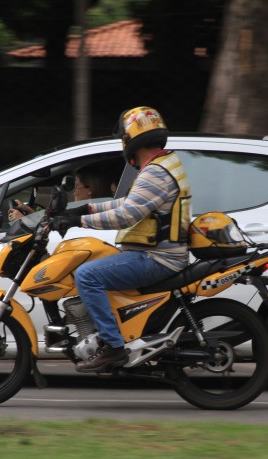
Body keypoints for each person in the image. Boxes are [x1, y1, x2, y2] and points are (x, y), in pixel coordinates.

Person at [51, 106, 192, 372]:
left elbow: (127, 216)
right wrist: (87, 208)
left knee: (87, 275)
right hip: (158, 252)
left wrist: (79, 221)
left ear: (131, 138)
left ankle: (113, 346)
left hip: (157, 257)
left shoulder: (155, 172)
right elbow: (131, 203)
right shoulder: (163, 164)